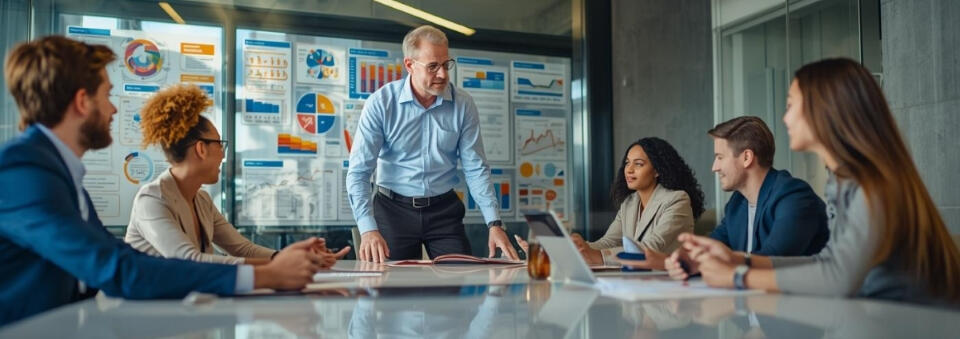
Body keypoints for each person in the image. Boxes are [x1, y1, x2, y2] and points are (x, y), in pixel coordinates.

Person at [0, 36, 330, 326]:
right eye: (107, 94)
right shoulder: (24, 170)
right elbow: (119, 269)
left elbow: (118, 255)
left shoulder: (54, 169)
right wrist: (268, 274)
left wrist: (282, 262)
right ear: (82, 101)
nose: (113, 109)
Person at [675, 58, 960, 305]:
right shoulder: (842, 181)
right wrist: (737, 259)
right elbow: (827, 264)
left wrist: (738, 276)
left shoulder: (874, 183)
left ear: (825, 109)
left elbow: (839, 277)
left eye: (790, 104)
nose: (785, 118)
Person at [125, 84, 350, 264]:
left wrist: (296, 257)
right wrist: (286, 264)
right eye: (219, 145)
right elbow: (190, 261)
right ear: (201, 148)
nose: (223, 155)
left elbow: (242, 248)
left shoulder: (201, 199)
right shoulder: (153, 200)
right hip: (149, 315)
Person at [346, 25, 515, 262]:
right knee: (390, 290)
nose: (443, 74)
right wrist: (368, 229)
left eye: (446, 65)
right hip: (392, 209)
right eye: (433, 66)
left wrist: (494, 223)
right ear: (409, 65)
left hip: (443, 211)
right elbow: (359, 172)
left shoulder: (462, 104)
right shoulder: (382, 103)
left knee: (458, 281)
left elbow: (475, 167)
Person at [659, 116, 829, 278]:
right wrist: (686, 260)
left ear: (746, 157)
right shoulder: (737, 203)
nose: (714, 167)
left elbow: (772, 261)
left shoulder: (793, 196)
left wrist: (715, 262)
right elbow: (712, 250)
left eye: (720, 157)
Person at [518, 137, 704, 268]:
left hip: (669, 292)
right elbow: (607, 242)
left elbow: (649, 249)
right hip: (635, 285)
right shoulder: (630, 203)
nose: (629, 170)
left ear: (657, 170)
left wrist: (596, 256)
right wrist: (567, 247)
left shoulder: (677, 200)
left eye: (638, 164)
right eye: (627, 163)